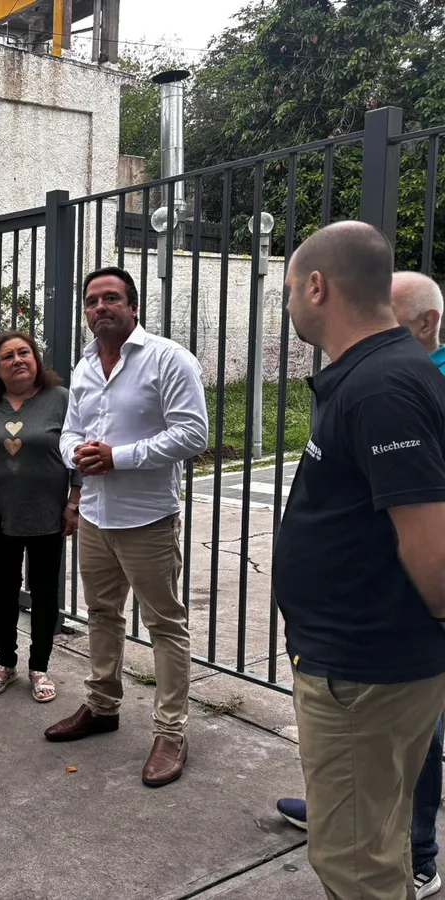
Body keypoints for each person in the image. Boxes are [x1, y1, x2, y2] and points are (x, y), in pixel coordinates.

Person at [272, 234, 445, 900]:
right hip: (369, 666)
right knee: (377, 837)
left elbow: (431, 550)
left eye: (289, 289)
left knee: (354, 864)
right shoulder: (387, 369)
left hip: (365, 671)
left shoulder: (381, 387)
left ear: (317, 286)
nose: (289, 303)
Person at [46, 265, 208, 789]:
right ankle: (102, 705)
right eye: (91, 301)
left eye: (111, 298)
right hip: (95, 515)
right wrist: (80, 454)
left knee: (164, 624)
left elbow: (193, 434)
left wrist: (121, 457)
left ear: (133, 307)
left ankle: (170, 730)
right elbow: (69, 432)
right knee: (101, 614)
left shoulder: (168, 358)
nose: (99, 308)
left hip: (148, 519)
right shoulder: (87, 364)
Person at [0, 332, 81, 703]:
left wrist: (74, 502)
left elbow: (78, 451)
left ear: (36, 360)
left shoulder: (61, 400)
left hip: (48, 517)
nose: (18, 360)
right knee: (4, 593)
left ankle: (39, 667)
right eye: (8, 356)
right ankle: (6, 662)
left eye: (24, 352)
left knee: (44, 593)